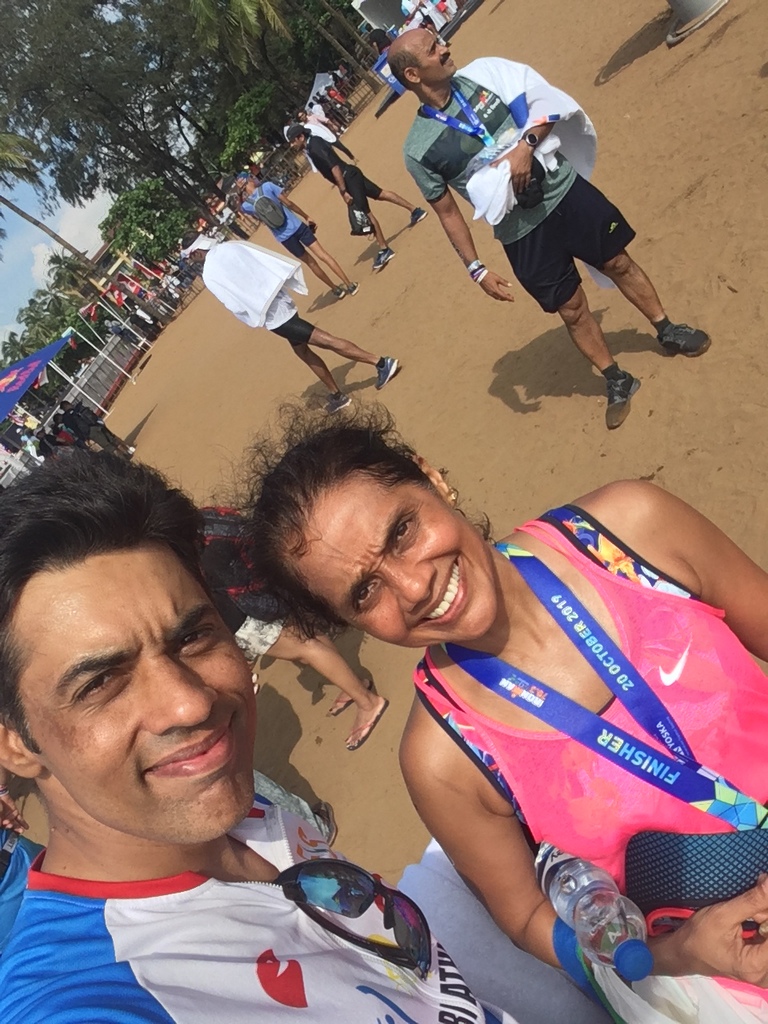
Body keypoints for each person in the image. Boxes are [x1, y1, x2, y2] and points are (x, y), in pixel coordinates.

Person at [243, 405, 768, 1022]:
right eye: (364, 592)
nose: (412, 587)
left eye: (402, 531)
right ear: (346, 623)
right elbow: (525, 917)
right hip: (732, 974)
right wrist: (678, 955)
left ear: (431, 478)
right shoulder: (441, 760)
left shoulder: (631, 532)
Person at [0, 450, 524, 1023]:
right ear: (12, 742)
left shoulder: (233, 802)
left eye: (192, 638)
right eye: (101, 682)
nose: (191, 703)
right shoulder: (91, 997)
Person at [386, 32, 710, 429]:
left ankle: (667, 328)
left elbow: (546, 102)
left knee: (618, 262)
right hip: (520, 233)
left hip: (565, 191)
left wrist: (526, 146)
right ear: (413, 74)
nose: (445, 49)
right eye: (433, 49)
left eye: (440, 42)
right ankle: (616, 378)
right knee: (571, 308)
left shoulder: (487, 74)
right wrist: (476, 268)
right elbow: (448, 212)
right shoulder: (417, 150)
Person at [200, 507, 389, 751]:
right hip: (269, 587)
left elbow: (235, 591)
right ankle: (355, 686)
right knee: (310, 639)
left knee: (306, 648)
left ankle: (367, 702)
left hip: (250, 613)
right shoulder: (209, 518)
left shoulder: (204, 551)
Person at [180, 232, 399, 413]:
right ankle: (337, 394)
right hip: (280, 299)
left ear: (197, 252)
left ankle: (381, 363)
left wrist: (252, 314)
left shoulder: (210, 273)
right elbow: (265, 260)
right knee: (302, 351)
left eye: (191, 257)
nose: (193, 261)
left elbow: (232, 303)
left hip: (274, 316)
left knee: (324, 340)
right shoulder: (232, 246)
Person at [286, 124, 428, 273]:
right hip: (351, 174)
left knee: (365, 213)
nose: (292, 144)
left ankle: (384, 249)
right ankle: (415, 211)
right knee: (380, 194)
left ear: (300, 137)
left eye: (292, 141)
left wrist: (343, 190)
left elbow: (334, 167)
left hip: (348, 179)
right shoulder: (313, 144)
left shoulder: (315, 147)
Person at [239, 176, 359, 301]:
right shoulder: (267, 186)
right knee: (323, 255)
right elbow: (288, 203)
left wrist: (239, 194)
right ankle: (349, 285)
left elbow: (242, 209)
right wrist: (306, 216)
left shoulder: (247, 206)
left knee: (311, 263)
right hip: (296, 226)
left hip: (284, 238)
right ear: (249, 180)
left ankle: (335, 289)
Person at [59, 399, 135, 457]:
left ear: (63, 409)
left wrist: (85, 438)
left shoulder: (67, 419)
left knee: (109, 447)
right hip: (97, 424)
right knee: (113, 439)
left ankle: (125, 459)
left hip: (90, 433)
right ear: (68, 404)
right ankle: (127, 452)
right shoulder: (78, 407)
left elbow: (76, 430)